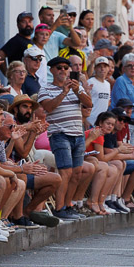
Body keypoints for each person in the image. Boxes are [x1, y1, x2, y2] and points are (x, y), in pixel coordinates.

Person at [38, 56, 94, 221]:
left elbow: (89, 104)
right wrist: (64, 92)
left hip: (78, 134)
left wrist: (77, 90)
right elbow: (48, 107)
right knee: (65, 171)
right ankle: (59, 207)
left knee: (76, 173)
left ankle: (68, 206)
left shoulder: (77, 87)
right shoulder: (46, 88)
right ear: (52, 70)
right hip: (60, 134)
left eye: (65, 67)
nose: (63, 70)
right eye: (59, 68)